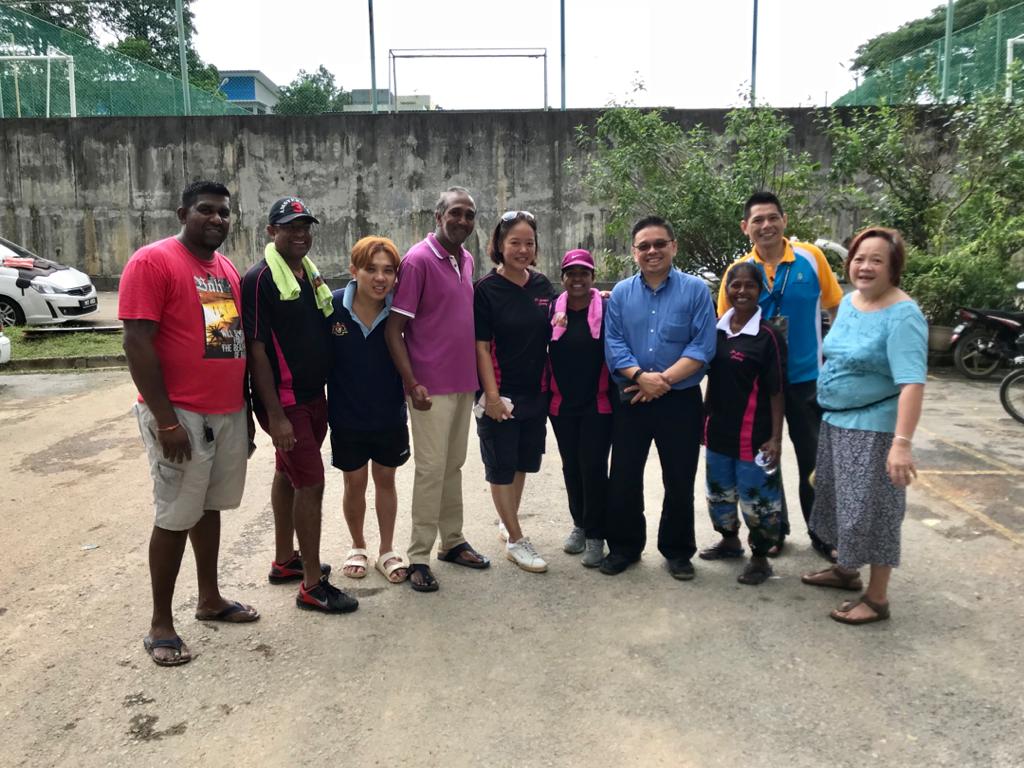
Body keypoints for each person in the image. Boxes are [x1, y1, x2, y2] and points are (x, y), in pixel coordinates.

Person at [120, 180, 259, 667]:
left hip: (225, 412)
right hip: (178, 412)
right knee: (176, 513)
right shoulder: (153, 261)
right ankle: (161, 622)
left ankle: (210, 599)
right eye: (206, 210)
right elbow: (136, 342)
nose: (218, 219)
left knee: (209, 508)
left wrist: (244, 413)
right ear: (183, 212)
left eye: (224, 212)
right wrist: (165, 420)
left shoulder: (223, 270)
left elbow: (228, 341)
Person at [800, 227, 926, 625]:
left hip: (875, 430)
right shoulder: (852, 302)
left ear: (894, 268)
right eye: (858, 258)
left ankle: (877, 597)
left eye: (876, 260)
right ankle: (845, 571)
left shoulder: (904, 314)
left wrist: (901, 443)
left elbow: (911, 383)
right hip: (837, 423)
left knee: (873, 511)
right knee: (840, 503)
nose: (865, 266)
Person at [241, 196, 356, 614]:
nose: (301, 233)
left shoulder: (307, 273)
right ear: (272, 232)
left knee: (287, 474)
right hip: (286, 403)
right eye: (290, 226)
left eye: (305, 225)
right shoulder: (259, 279)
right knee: (311, 482)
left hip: (312, 396)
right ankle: (311, 585)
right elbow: (256, 348)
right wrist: (273, 415)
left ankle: (284, 559)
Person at [718, 191, 844, 559]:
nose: (766, 225)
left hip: (807, 379)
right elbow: (725, 328)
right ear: (746, 228)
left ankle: (823, 534)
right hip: (757, 386)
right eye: (757, 220)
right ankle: (773, 531)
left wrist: (834, 361)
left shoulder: (811, 258)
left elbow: (837, 309)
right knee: (765, 460)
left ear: (784, 220)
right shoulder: (738, 271)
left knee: (815, 461)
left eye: (772, 217)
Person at [385, 187, 490, 592]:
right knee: (431, 470)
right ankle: (418, 556)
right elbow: (395, 331)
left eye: (470, 215)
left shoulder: (465, 258)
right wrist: (412, 383)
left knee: (453, 466)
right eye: (456, 213)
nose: (463, 221)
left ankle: (453, 541)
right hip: (430, 388)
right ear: (438, 215)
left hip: (463, 382)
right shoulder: (418, 261)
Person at [601, 216, 718, 579]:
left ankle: (678, 551)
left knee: (680, 478)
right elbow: (614, 343)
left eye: (659, 244)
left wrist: (661, 380)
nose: (652, 251)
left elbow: (703, 346)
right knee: (623, 476)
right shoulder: (621, 293)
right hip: (632, 397)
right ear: (634, 251)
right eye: (644, 246)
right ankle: (624, 547)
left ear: (673, 246)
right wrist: (640, 377)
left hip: (680, 400)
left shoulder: (696, 291)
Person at [474, 211, 557, 573]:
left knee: (522, 463)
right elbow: (480, 347)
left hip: (535, 393)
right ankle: (516, 538)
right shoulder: (485, 290)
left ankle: (508, 525)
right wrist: (491, 397)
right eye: (515, 242)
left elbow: (560, 320)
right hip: (500, 395)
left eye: (529, 243)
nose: (523, 249)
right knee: (500, 467)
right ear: (498, 246)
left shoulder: (541, 286)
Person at [326, 236, 410, 584]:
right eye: (371, 269)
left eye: (388, 271)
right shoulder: (331, 308)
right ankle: (357, 545)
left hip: (389, 415)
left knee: (386, 480)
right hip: (347, 417)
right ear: (354, 270)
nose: (380, 278)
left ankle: (387, 550)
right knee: (355, 482)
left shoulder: (401, 312)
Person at [699, 261, 786, 585]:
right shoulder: (715, 330)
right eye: (735, 285)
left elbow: (777, 391)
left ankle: (761, 558)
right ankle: (729, 541)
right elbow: (711, 379)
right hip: (719, 432)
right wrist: (702, 420)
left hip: (756, 438)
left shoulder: (769, 336)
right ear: (727, 289)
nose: (742, 291)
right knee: (719, 494)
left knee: (759, 502)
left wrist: (776, 438)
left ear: (760, 290)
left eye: (750, 285)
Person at [546, 249, 614, 568]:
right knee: (571, 467)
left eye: (583, 273)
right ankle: (580, 524)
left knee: (593, 468)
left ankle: (597, 534)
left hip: (597, 404)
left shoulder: (607, 308)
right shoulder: (551, 311)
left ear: (592, 277)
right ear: (563, 278)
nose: (577, 279)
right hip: (561, 405)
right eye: (571, 274)